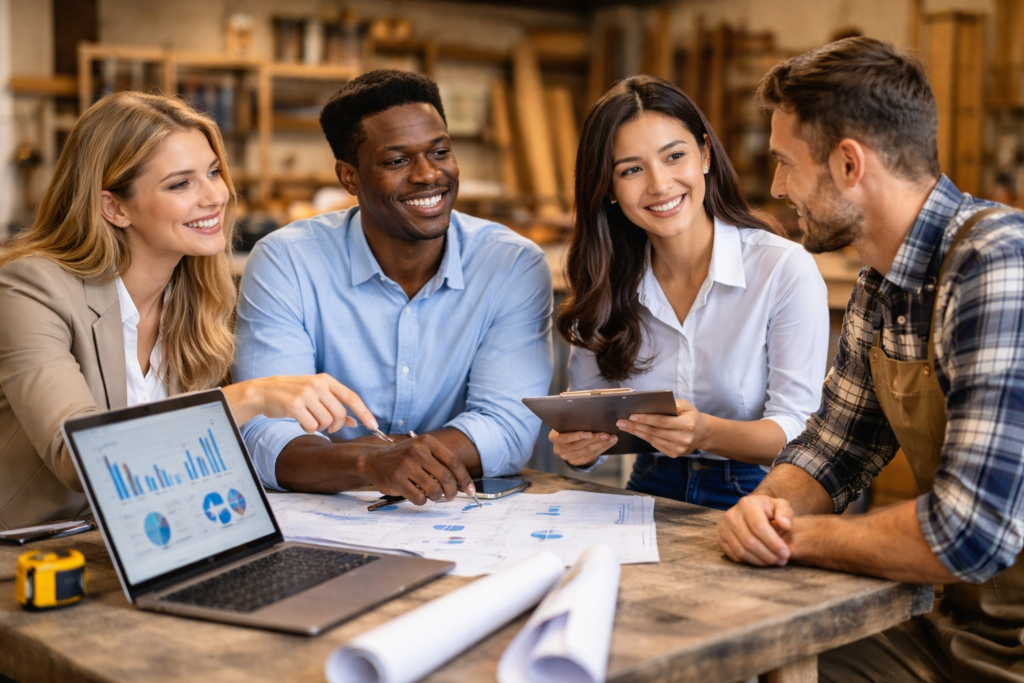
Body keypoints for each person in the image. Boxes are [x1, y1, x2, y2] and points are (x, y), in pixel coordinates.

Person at [715, 37, 1024, 681]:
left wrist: (793, 537)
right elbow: (835, 448)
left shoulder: (997, 263)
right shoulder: (879, 288)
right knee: (741, 663)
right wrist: (766, 509)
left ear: (849, 163)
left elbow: (968, 533)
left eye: (785, 163)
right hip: (953, 630)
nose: (776, 187)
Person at [0, 91, 378, 531]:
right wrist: (251, 397)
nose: (216, 195)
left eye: (213, 172)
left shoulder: (197, 297)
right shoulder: (31, 290)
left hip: (158, 540)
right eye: (181, 184)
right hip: (38, 552)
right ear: (115, 207)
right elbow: (80, 461)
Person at [233, 69, 553, 505]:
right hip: (322, 512)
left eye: (440, 152)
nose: (428, 174)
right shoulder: (286, 262)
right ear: (349, 177)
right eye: (397, 161)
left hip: (455, 513)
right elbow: (265, 438)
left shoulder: (511, 265)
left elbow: (507, 430)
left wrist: (374, 457)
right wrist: (368, 463)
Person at [549, 75, 829, 510]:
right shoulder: (604, 279)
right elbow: (591, 418)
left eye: (674, 156)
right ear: (607, 187)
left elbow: (801, 431)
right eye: (631, 169)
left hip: (759, 491)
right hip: (650, 483)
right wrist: (579, 449)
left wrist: (707, 433)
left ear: (705, 154)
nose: (660, 184)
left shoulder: (782, 269)